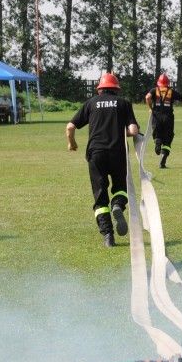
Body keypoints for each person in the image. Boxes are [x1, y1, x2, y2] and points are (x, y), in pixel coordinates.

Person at [66, 72, 140, 247]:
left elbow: (70, 127)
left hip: (96, 154)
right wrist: (120, 129)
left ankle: (108, 236)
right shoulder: (123, 103)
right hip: (118, 152)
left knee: (100, 196)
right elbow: (133, 130)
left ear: (99, 89)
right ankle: (118, 205)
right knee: (120, 187)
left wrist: (72, 143)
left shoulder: (91, 103)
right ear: (116, 89)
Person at [144, 73, 182, 168]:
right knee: (168, 138)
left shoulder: (154, 90)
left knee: (157, 134)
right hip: (168, 118)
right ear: (167, 83)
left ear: (159, 83)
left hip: (156, 117)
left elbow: (147, 97)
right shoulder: (172, 92)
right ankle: (163, 158)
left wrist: (151, 108)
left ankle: (157, 143)